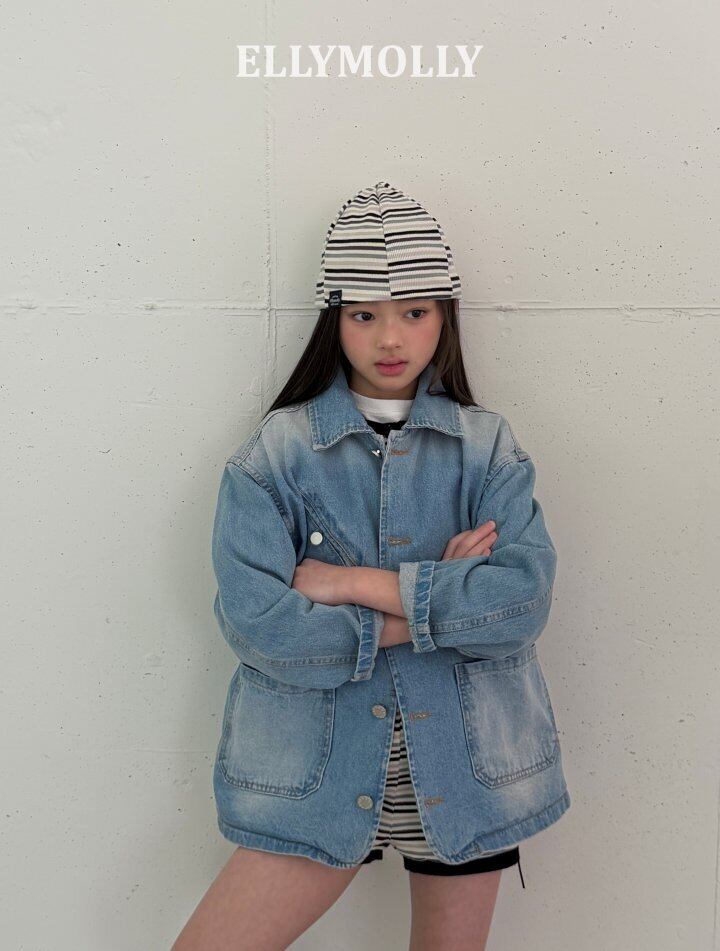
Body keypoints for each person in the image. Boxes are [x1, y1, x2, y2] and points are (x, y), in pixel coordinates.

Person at [172, 181, 571, 950]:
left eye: (415, 312)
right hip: (312, 778)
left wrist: (346, 585)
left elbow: (521, 603)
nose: (391, 337)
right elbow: (261, 629)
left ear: (444, 316)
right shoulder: (273, 457)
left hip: (468, 771)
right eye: (364, 315)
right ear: (336, 319)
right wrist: (437, 602)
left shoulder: (487, 448)